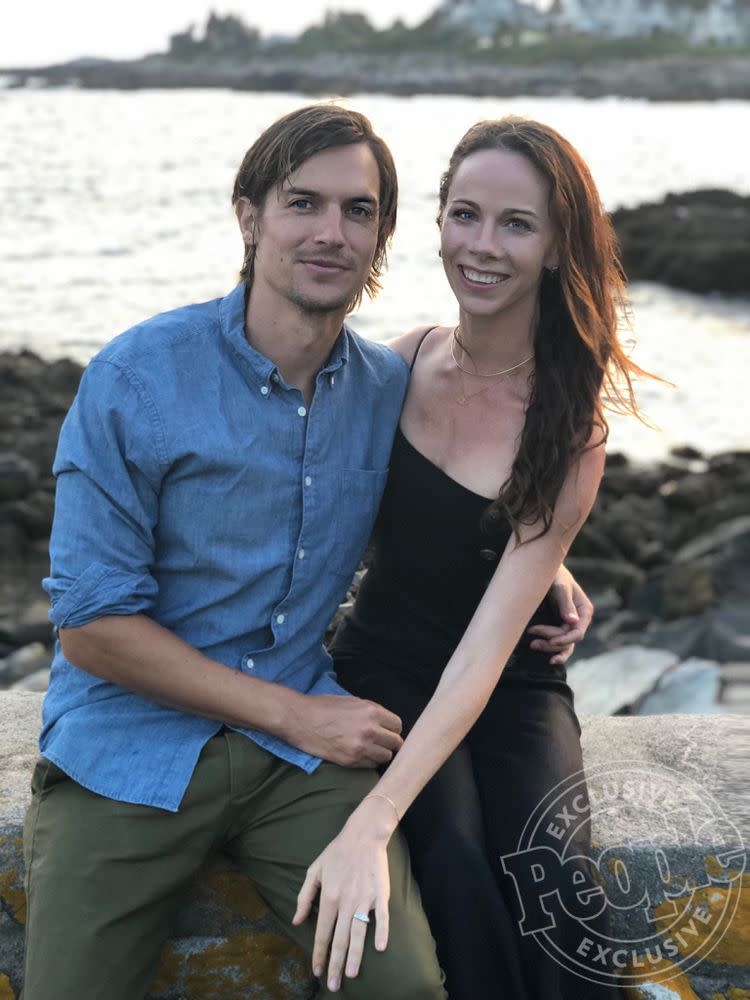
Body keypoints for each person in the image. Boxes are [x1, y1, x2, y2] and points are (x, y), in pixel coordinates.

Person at [22, 105, 589, 1000]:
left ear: (383, 236)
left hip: (300, 772)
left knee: (404, 988)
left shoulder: (382, 386)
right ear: (248, 217)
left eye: (358, 211)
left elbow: (469, 478)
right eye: (303, 203)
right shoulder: (136, 378)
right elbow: (92, 630)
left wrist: (548, 555)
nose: (331, 233)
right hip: (130, 748)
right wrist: (292, 715)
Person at [294, 117, 651, 998]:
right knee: (449, 854)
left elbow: (484, 657)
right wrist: (537, 555)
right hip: (384, 665)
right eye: (465, 215)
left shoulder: (571, 428)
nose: (481, 246)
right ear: (440, 222)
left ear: (558, 243)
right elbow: (310, 480)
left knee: (555, 872)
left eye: (515, 224)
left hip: (510, 682)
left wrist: (543, 553)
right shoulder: (402, 361)